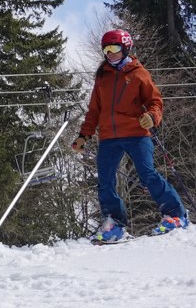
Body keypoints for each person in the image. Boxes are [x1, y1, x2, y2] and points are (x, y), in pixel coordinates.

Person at [72, 28, 188, 242]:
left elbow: (155, 102)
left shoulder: (138, 73)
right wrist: (83, 135)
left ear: (126, 48)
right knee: (105, 180)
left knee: (147, 174)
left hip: (136, 133)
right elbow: (94, 111)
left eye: (114, 48)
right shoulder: (103, 77)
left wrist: (152, 117)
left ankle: (175, 215)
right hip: (109, 137)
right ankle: (115, 223)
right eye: (106, 49)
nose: (109, 53)